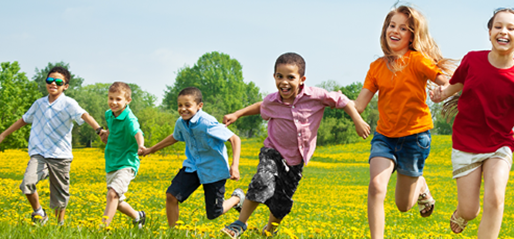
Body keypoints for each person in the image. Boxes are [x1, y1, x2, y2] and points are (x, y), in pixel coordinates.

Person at [430, 8, 514, 238]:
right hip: (465, 142)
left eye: (511, 28)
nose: (503, 31)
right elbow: (459, 82)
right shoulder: (472, 59)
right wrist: (443, 93)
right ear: (490, 32)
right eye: (498, 26)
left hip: (499, 145)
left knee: (495, 197)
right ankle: (463, 212)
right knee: (470, 210)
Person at [219, 52, 371, 237]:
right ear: (274, 76)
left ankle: (269, 231)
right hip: (272, 151)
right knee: (261, 181)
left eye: (290, 77)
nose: (284, 82)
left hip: (296, 159)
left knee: (282, 202)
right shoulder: (272, 101)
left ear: (301, 79)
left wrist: (357, 120)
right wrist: (237, 114)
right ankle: (239, 224)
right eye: (279, 76)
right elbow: (261, 106)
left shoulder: (316, 96)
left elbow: (343, 101)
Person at [353, 4, 456, 238]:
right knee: (377, 187)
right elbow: (359, 105)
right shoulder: (376, 67)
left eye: (403, 28)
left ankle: (419, 184)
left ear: (412, 36)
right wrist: (334, 100)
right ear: (385, 29)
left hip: (414, 139)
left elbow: (445, 81)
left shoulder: (417, 61)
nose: (395, 31)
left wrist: (444, 92)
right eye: (392, 26)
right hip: (385, 138)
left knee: (403, 206)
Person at [0, 66, 104, 225]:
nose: (53, 84)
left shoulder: (69, 103)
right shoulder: (39, 104)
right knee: (27, 184)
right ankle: (39, 212)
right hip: (40, 153)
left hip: (60, 156)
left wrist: (99, 130)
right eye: (50, 80)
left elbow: (84, 115)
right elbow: (23, 120)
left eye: (58, 81)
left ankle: (59, 225)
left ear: (65, 86)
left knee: (60, 195)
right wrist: (2, 135)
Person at [139, 87, 245, 228]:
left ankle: (237, 198)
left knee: (214, 212)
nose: (183, 109)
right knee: (171, 195)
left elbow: (234, 139)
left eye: (187, 105)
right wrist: (150, 150)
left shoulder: (207, 123)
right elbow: (174, 137)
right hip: (192, 167)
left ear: (199, 106)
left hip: (214, 169)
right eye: (180, 105)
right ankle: (174, 233)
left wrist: (235, 166)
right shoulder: (181, 123)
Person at [97, 81, 147, 228]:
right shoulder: (108, 114)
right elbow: (113, 130)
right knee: (116, 202)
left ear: (127, 100)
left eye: (118, 99)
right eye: (111, 98)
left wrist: (141, 145)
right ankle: (138, 216)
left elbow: (137, 132)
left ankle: (102, 229)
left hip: (127, 163)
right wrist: (107, 133)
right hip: (112, 162)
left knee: (112, 194)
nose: (114, 102)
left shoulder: (129, 118)